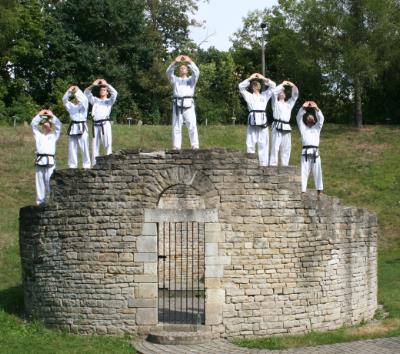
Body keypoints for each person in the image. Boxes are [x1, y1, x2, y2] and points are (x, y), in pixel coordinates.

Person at [239, 73, 276, 166]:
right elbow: (240, 87)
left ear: (259, 86)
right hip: (253, 120)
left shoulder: (264, 95)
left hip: (262, 121)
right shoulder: (249, 96)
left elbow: (273, 86)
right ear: (252, 87)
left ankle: (263, 164)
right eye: (254, 85)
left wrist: (263, 78)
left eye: (257, 84)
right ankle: (250, 163)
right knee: (250, 142)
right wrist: (250, 78)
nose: (256, 86)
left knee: (263, 142)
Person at [166, 54, 200, 150]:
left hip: (189, 104)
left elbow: (197, 72)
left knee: (192, 125)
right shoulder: (175, 80)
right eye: (180, 68)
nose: (182, 69)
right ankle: (176, 146)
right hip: (177, 104)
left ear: (187, 70)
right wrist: (175, 62)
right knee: (176, 126)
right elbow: (168, 73)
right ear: (178, 71)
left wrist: (189, 61)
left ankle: (195, 146)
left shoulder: (191, 80)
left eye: (184, 68)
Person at [31, 109, 62, 206]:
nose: (45, 125)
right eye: (44, 124)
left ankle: (52, 201)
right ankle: (40, 202)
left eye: (47, 124)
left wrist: (52, 116)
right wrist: (39, 115)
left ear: (51, 126)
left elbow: (59, 126)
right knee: (39, 182)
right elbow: (33, 125)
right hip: (40, 161)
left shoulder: (54, 136)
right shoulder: (38, 136)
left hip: (50, 161)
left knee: (50, 181)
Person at [84, 79, 118, 164]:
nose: (102, 91)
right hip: (95, 125)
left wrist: (106, 84)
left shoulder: (109, 101)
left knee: (107, 144)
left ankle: (109, 163)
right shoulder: (95, 100)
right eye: (101, 90)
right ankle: (95, 165)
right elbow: (86, 93)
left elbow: (115, 93)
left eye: (104, 90)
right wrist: (93, 85)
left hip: (105, 124)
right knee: (95, 146)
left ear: (107, 92)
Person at [296, 101, 324, 196]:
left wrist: (316, 108)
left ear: (314, 120)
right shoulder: (303, 128)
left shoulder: (317, 128)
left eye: (312, 117)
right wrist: (303, 107)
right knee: (304, 171)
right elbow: (298, 118)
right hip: (305, 151)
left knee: (317, 171)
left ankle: (319, 190)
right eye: (308, 117)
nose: (310, 118)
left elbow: (321, 119)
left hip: (315, 151)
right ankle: (303, 190)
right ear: (306, 120)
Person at [270, 80, 299, 166]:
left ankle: (285, 164)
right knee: (275, 146)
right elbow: (273, 93)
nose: (281, 93)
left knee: (286, 147)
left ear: (285, 95)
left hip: (286, 126)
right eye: (280, 92)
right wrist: (282, 84)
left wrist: (292, 85)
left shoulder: (288, 104)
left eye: (283, 92)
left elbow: (295, 96)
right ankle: (273, 164)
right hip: (277, 125)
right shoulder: (275, 103)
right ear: (278, 95)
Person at [62, 85, 91, 169]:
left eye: (79, 97)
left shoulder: (84, 105)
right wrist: (69, 91)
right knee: (72, 147)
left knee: (84, 146)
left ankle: (86, 165)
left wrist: (77, 90)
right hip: (73, 127)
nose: (78, 99)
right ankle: (72, 165)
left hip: (82, 126)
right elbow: (64, 100)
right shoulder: (71, 106)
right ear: (74, 99)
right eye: (77, 98)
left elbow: (84, 99)